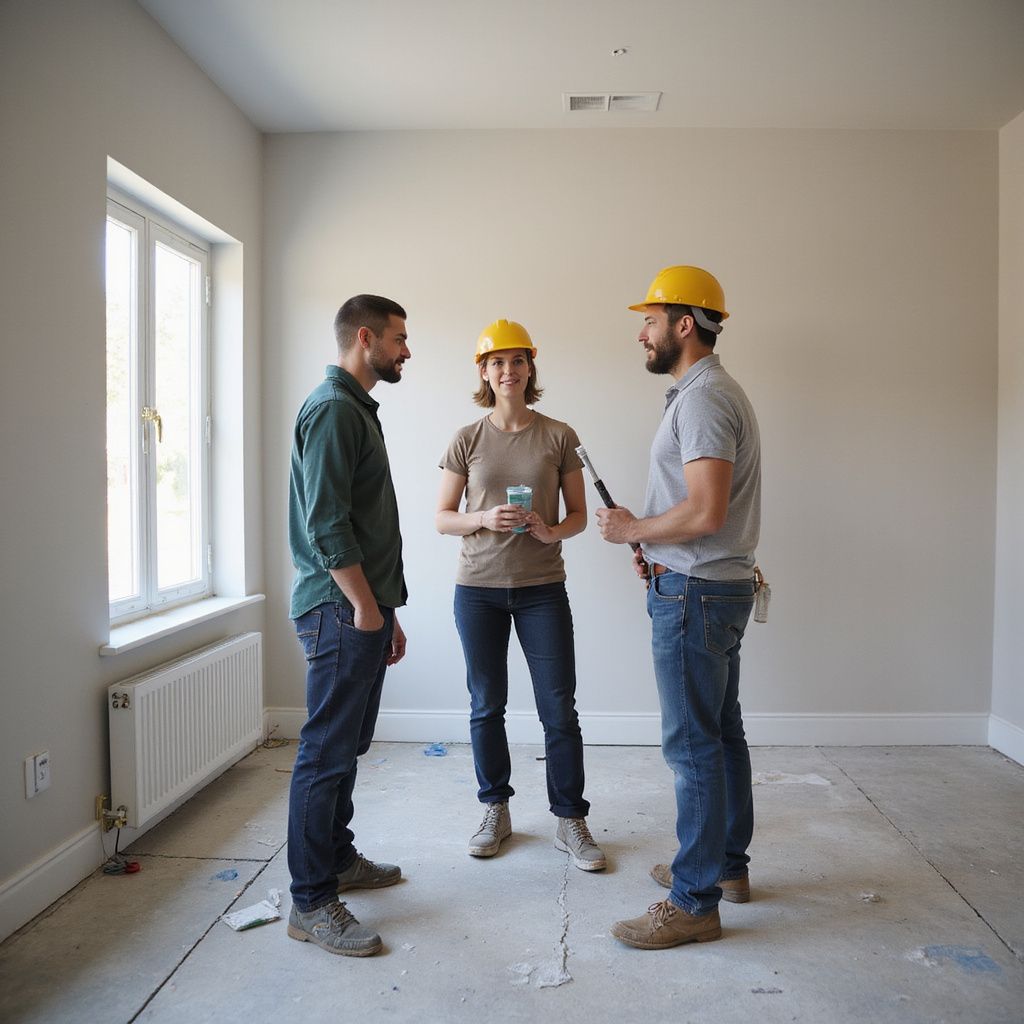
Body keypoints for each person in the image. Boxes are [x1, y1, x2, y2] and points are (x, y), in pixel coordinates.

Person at [596, 266, 762, 950]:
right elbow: (700, 513)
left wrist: (635, 531)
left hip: (695, 594)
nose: (643, 332)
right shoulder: (707, 392)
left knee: (693, 747)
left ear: (683, 325)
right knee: (720, 735)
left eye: (651, 320)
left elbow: (706, 508)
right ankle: (722, 868)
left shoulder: (702, 399)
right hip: (707, 585)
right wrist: (655, 547)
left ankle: (693, 900)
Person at [435, 319, 606, 872]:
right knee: (487, 706)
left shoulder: (559, 435)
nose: (508, 371)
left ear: (531, 367)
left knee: (559, 708)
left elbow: (578, 515)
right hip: (478, 591)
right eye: (497, 362)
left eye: (518, 361)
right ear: (484, 371)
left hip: (541, 591)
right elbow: (442, 518)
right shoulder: (467, 438)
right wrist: (483, 516)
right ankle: (495, 809)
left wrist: (550, 531)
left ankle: (570, 818)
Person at [285, 294, 411, 957]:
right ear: (365, 338)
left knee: (347, 745)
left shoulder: (353, 408)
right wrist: (364, 605)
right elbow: (326, 522)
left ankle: (335, 858)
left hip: (360, 606)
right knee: (324, 753)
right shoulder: (334, 410)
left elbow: (362, 519)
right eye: (398, 338)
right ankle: (310, 901)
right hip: (338, 607)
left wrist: (382, 609)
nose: (405, 350)